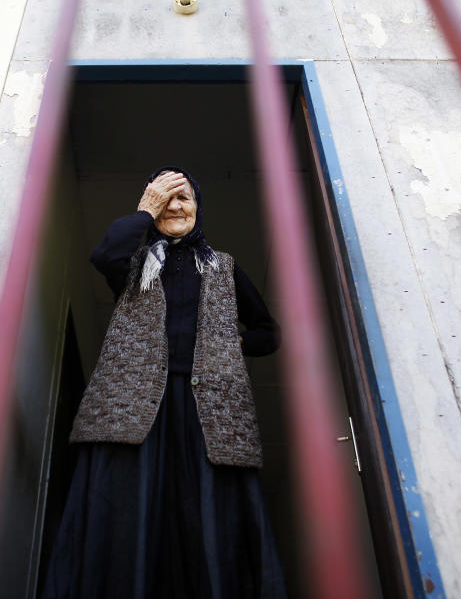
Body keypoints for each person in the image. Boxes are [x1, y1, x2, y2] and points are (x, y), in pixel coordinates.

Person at [41, 166, 287, 599]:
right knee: (126, 510)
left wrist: (225, 343)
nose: (175, 206)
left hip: (206, 409)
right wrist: (143, 211)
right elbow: (104, 255)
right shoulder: (134, 265)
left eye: (185, 197)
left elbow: (268, 333)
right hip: (134, 404)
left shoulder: (224, 267)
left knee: (204, 515)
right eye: (164, 198)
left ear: (199, 207)